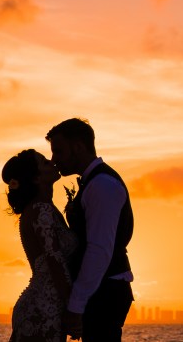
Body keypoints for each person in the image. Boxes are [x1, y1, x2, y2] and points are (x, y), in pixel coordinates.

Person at [46, 118, 134, 342]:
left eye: (58, 151)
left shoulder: (102, 185)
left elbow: (99, 250)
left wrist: (76, 305)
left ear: (78, 147)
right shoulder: (93, 183)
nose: (54, 159)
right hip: (101, 289)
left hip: (105, 292)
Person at [3, 149, 78, 342]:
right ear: (36, 178)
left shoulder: (46, 208)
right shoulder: (41, 209)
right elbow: (55, 262)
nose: (52, 162)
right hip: (43, 308)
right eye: (45, 162)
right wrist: (74, 308)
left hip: (48, 304)